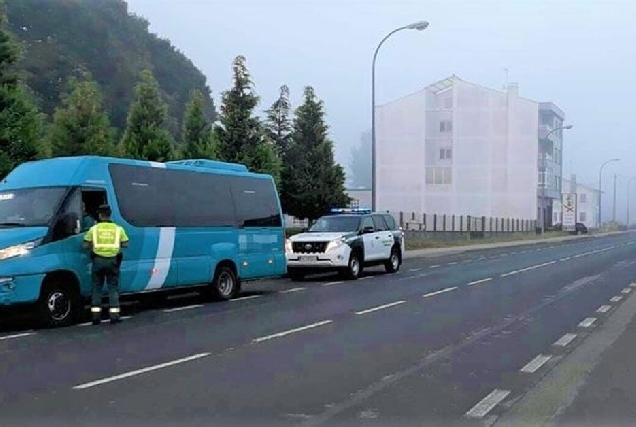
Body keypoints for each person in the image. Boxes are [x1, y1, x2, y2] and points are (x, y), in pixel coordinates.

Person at [83, 204, 129, 325]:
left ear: (99, 215)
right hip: (113, 261)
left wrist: (94, 246)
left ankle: (95, 317)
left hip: (98, 260)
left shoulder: (94, 229)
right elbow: (125, 244)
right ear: (110, 214)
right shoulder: (118, 229)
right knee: (113, 288)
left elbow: (85, 244)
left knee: (96, 288)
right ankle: (114, 316)